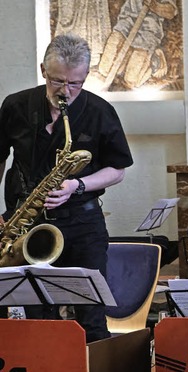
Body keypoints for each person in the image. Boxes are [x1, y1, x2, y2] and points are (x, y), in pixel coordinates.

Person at [0, 34, 133, 342]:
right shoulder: (16, 105)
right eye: (58, 81)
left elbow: (117, 170)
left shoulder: (100, 111)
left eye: (76, 84)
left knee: (92, 318)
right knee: (37, 317)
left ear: (85, 77)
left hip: (83, 223)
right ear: (43, 70)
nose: (66, 92)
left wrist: (77, 185)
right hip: (28, 222)